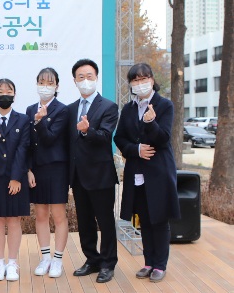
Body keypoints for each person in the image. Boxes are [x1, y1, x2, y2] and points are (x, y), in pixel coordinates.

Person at [114, 63, 180, 283]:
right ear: (131, 84)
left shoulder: (164, 105)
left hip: (158, 172)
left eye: (144, 79)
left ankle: (160, 265)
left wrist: (151, 122)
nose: (140, 84)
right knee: (143, 218)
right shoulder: (129, 109)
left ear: (152, 80)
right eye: (135, 80)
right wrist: (136, 150)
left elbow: (163, 139)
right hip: (136, 173)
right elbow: (119, 138)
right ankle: (148, 262)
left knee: (159, 219)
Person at [66, 58, 119, 283]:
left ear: (96, 78)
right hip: (78, 177)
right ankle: (92, 259)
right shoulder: (70, 110)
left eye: (89, 76)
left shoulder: (109, 106)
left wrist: (88, 131)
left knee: (105, 221)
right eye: (81, 77)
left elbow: (106, 137)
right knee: (85, 221)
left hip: (101, 176)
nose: (85, 81)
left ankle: (108, 263)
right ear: (74, 81)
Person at [0, 79, 30, 282]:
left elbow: (23, 149)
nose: (4, 94)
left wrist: (17, 178)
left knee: (14, 219)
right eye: (0, 91)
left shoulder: (23, 119)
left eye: (8, 91)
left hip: (15, 177)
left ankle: (12, 262)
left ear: (14, 95)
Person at [26, 68, 69, 278]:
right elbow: (26, 144)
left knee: (59, 215)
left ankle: (58, 259)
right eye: (41, 81)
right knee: (41, 214)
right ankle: (45, 258)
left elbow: (51, 139)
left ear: (57, 86)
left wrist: (41, 121)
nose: (45, 86)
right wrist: (28, 169)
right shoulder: (29, 109)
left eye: (49, 82)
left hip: (57, 169)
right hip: (37, 170)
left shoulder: (63, 110)